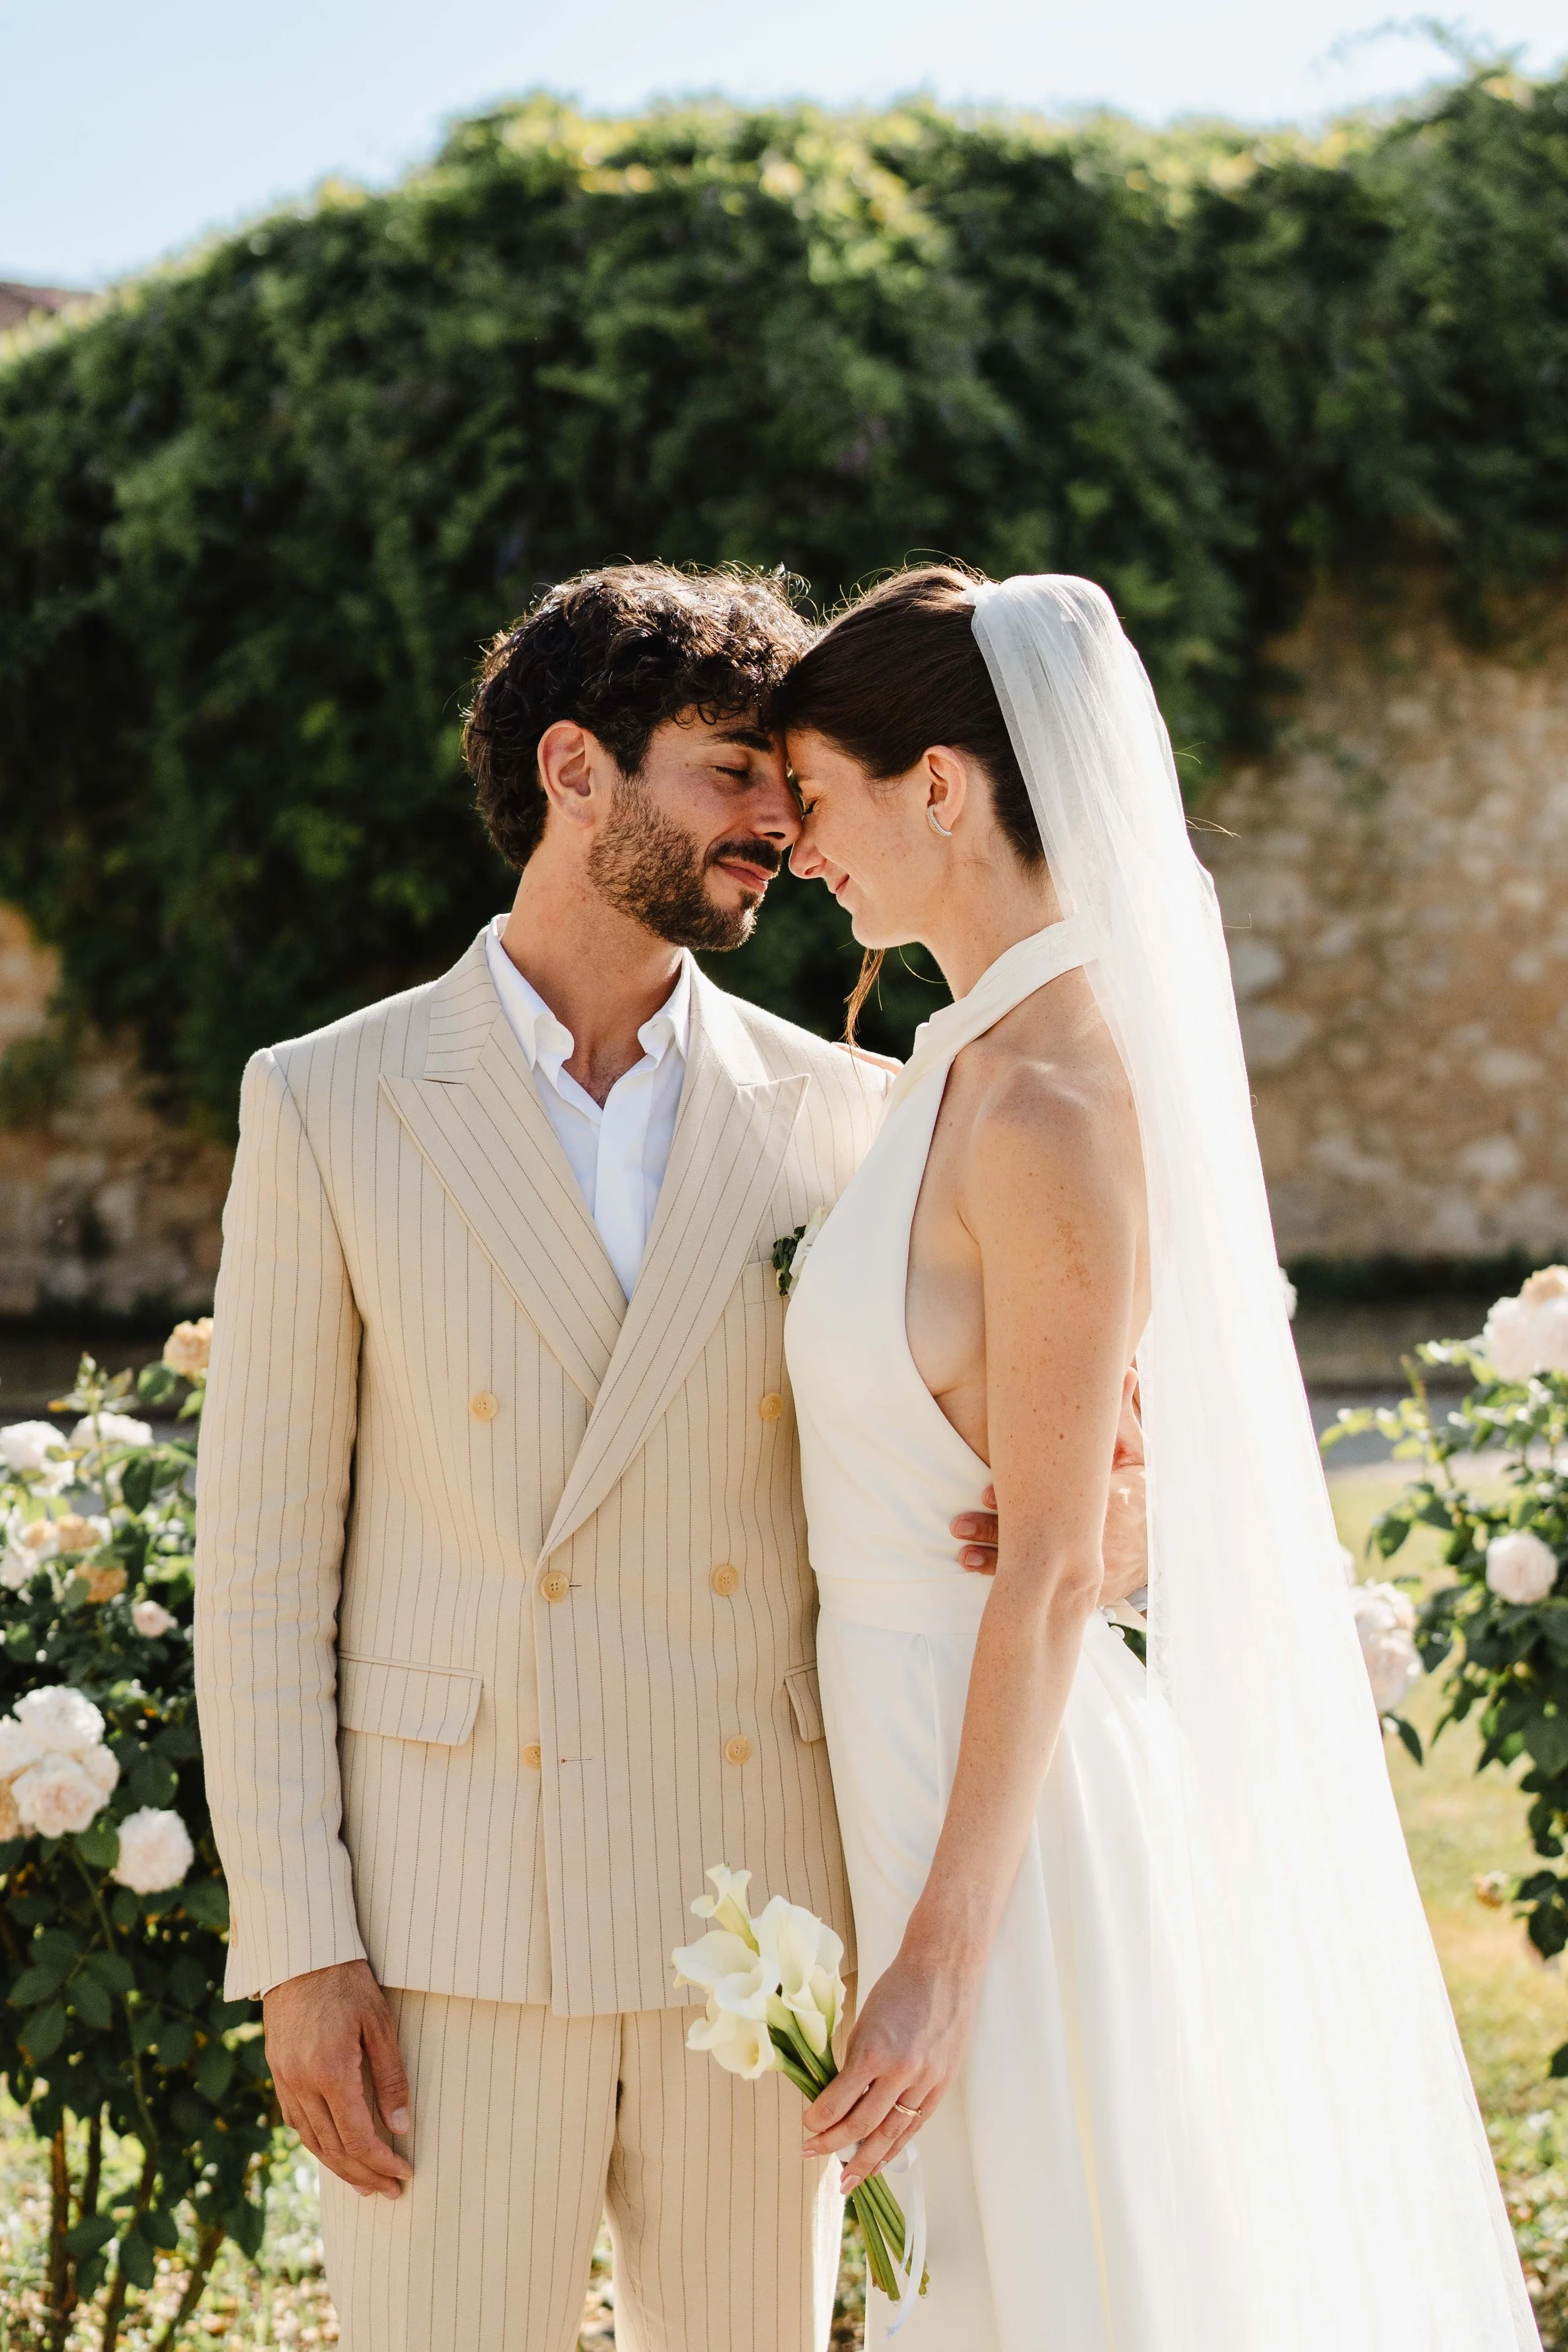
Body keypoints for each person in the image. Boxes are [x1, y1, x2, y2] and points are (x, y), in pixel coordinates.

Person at [193, 561, 1148, 2352]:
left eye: (790, 788)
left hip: (764, 1921)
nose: (780, 828)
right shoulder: (326, 1101)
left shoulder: (857, 1104)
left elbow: (1024, 1424)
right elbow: (254, 1570)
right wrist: (304, 1949)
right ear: (574, 770)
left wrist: (1110, 1498)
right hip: (444, 1937)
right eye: (731, 772)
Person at [773, 566, 1540, 2352]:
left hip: (1003, 1830)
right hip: (897, 1761)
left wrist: (939, 1962)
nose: (798, 844)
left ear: (940, 786)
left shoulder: (1050, 1102)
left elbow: (1043, 1562)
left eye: (816, 795)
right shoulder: (953, 1068)